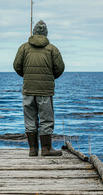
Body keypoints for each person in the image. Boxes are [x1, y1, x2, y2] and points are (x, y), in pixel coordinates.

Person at [13, 20, 65, 156]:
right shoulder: (52, 49)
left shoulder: (23, 48)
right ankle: (46, 149)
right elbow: (60, 68)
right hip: (45, 90)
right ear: (46, 33)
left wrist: (26, 75)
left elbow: (17, 66)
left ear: (34, 32)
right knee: (46, 119)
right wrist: (49, 77)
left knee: (30, 119)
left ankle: (33, 150)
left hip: (29, 88)